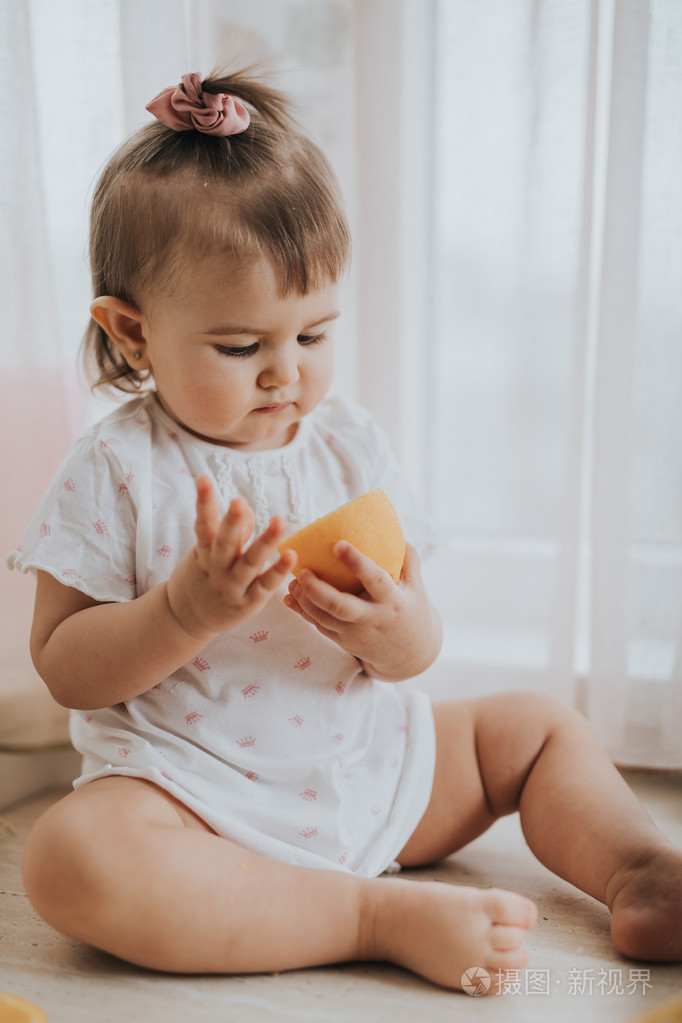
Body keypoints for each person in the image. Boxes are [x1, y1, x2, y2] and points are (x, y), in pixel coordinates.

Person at [9, 69, 681, 992]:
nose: (286, 375)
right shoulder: (117, 468)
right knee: (69, 859)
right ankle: (369, 915)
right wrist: (182, 612)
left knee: (535, 725)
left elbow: (417, 648)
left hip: (370, 765)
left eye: (314, 334)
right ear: (132, 333)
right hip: (193, 799)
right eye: (243, 347)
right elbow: (63, 662)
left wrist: (393, 627)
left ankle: (642, 870)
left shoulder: (349, 444)